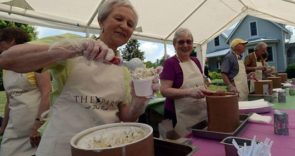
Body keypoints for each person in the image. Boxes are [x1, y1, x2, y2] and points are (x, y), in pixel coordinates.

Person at [0, 0, 156, 156]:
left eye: (130, 24)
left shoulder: (125, 71)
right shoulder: (73, 43)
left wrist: (139, 101)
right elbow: (7, 59)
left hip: (103, 148)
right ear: (101, 21)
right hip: (60, 146)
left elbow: (126, 116)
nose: (124, 26)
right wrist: (73, 48)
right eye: (119, 18)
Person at [0, 27, 51, 156]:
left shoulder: (36, 61)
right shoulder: (6, 67)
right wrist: (3, 127)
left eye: (0, 42)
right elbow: (9, 101)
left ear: (12, 41)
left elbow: (47, 93)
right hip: (14, 130)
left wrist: (38, 125)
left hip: (33, 132)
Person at [160, 28, 216, 137]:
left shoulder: (196, 61)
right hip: (177, 115)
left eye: (189, 41)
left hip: (198, 113)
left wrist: (211, 93)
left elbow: (201, 85)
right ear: (174, 44)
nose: (185, 45)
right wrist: (189, 92)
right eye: (181, 42)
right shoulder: (170, 63)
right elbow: (164, 91)